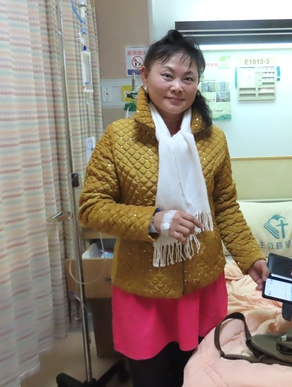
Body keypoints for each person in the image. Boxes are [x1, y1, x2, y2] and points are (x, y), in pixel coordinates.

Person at [78, 29, 269, 387]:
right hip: (143, 287)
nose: (177, 87)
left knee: (199, 376)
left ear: (197, 84)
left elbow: (225, 207)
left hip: (202, 284)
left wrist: (250, 257)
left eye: (188, 78)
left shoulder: (213, 140)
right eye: (167, 75)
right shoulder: (118, 138)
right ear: (145, 75)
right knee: (151, 379)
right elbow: (91, 207)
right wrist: (153, 221)